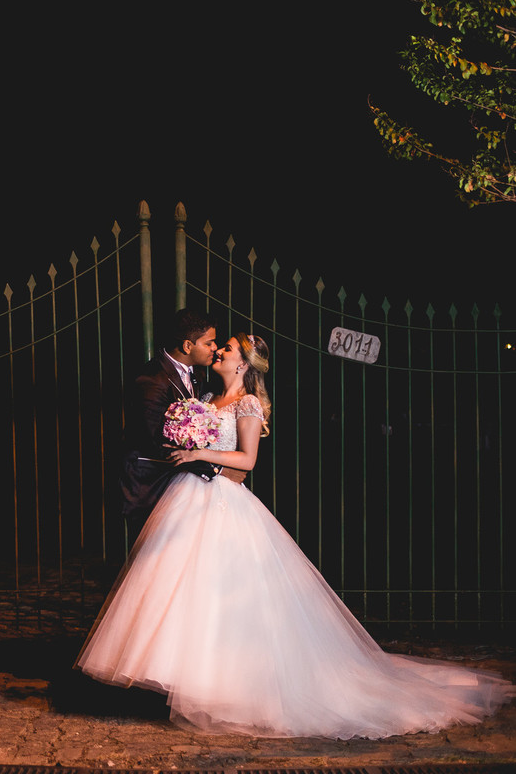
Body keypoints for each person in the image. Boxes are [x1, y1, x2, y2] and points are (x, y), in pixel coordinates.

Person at [79, 333, 513, 739]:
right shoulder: (206, 399)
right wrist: (188, 444)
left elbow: (247, 461)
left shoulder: (248, 404)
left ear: (244, 364)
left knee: (224, 593)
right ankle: (188, 679)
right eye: (220, 346)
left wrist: (198, 451)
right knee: (183, 589)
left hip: (226, 501)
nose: (219, 353)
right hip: (191, 496)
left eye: (227, 349)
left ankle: (230, 687)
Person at [119, 308, 245, 541]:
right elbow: (158, 442)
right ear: (188, 346)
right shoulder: (151, 381)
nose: (215, 348)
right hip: (151, 484)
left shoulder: (196, 373)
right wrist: (217, 469)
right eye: (209, 343)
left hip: (184, 485)